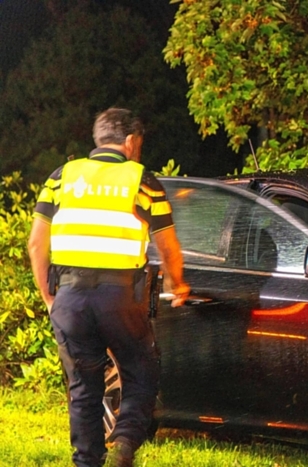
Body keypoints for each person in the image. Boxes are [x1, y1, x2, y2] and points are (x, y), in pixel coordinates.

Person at [27, 108, 190, 467]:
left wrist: (49, 297)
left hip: (70, 297)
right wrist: (179, 285)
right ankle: (126, 442)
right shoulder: (142, 180)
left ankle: (87, 462)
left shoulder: (61, 177)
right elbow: (168, 246)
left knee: (83, 389)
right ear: (131, 142)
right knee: (141, 371)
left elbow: (37, 244)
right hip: (120, 299)